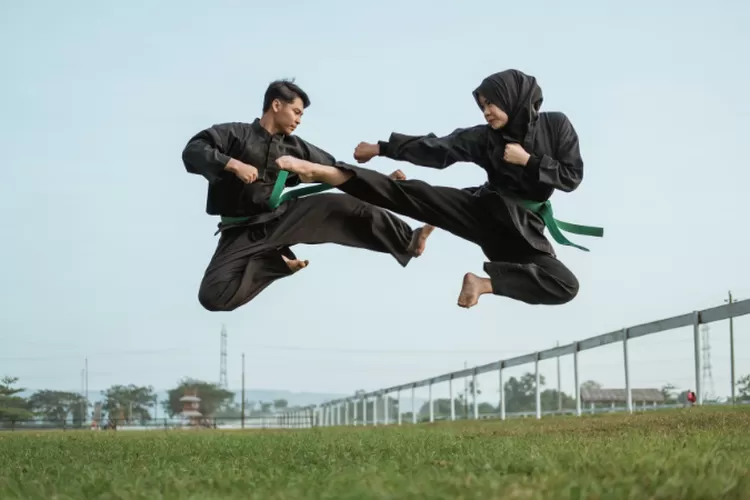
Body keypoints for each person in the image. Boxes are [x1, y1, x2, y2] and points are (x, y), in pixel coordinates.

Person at [275, 69, 587, 309]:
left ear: (512, 97)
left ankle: (482, 283)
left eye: (491, 103)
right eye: (482, 106)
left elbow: (572, 176)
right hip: (484, 209)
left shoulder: (556, 125)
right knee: (413, 195)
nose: (486, 112)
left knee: (565, 286)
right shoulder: (485, 138)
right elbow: (438, 148)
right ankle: (326, 172)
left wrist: (528, 161)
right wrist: (382, 148)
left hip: (521, 231)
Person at [181, 79, 430, 312]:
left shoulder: (296, 147)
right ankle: (274, 263)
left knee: (345, 206)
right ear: (276, 105)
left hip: (283, 217)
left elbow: (335, 170)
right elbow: (194, 149)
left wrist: (382, 179)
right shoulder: (234, 134)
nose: (299, 120)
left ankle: (410, 239)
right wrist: (234, 164)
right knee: (213, 296)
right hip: (240, 230)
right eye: (297, 112)